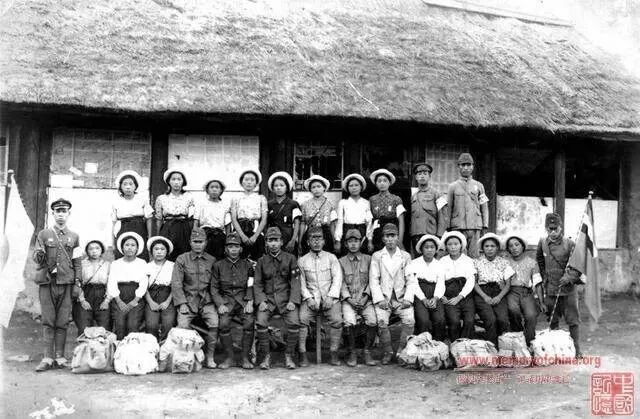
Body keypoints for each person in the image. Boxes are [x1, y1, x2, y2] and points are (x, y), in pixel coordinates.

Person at [33, 198, 82, 371]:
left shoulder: (74, 236)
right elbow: (37, 257)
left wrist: (77, 283)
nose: (61, 214)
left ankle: (60, 357)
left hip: (66, 282)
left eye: (64, 211)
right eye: (58, 211)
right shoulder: (44, 234)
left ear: (69, 214)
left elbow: (77, 262)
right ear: (53, 214)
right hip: (48, 282)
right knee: (48, 320)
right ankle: (47, 357)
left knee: (62, 321)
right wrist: (39, 254)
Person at [254, 227, 301, 369]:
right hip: (268, 301)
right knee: (261, 322)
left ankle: (289, 355)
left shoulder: (291, 259)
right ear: (266, 243)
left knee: (294, 323)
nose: (273, 243)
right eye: (270, 240)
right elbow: (257, 283)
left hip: (286, 301)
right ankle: (266, 356)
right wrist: (261, 301)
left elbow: (295, 281)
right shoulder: (261, 261)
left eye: (276, 240)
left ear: (281, 242)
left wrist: (293, 301)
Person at [536, 213, 582, 357]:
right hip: (551, 289)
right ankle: (556, 350)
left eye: (555, 228)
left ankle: (577, 350)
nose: (553, 232)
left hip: (568, 290)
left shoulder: (570, 243)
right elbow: (540, 261)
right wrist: (545, 277)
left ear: (561, 228)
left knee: (573, 320)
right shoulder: (543, 243)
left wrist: (569, 277)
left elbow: (578, 264)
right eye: (550, 229)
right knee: (552, 319)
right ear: (546, 228)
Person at [172, 227, 219, 369]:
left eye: (201, 242)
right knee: (182, 326)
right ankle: (187, 358)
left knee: (214, 323)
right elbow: (176, 283)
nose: (198, 245)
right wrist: (182, 303)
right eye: (195, 241)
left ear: (206, 243)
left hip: (207, 301)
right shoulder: (182, 259)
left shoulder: (212, 260)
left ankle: (210, 357)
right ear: (190, 242)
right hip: (188, 301)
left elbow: (215, 284)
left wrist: (216, 302)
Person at [369, 223, 415, 364]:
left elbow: (411, 280)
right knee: (382, 321)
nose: (390, 239)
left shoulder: (405, 256)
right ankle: (388, 351)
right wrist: (380, 299)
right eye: (387, 236)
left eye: (393, 236)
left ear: (397, 237)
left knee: (409, 320)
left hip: (401, 298)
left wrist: (408, 299)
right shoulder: (377, 256)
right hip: (384, 298)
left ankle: (401, 350)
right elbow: (374, 279)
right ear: (383, 238)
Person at [298, 227, 343, 366]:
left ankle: (334, 352)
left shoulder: (331, 258)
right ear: (308, 242)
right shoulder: (302, 260)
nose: (316, 241)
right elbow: (301, 283)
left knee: (337, 320)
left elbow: (337, 279)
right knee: (302, 319)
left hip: (329, 298)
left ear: (324, 241)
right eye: (313, 238)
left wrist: (331, 297)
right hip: (311, 299)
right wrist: (308, 298)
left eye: (319, 238)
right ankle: (302, 354)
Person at [211, 233, 255, 369]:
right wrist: (220, 304)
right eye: (230, 247)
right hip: (227, 301)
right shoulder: (218, 265)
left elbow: (251, 285)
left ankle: (245, 358)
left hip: (243, 301)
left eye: (236, 247)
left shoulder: (247, 265)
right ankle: (229, 358)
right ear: (226, 249)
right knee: (223, 323)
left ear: (241, 249)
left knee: (249, 321)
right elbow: (214, 287)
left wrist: (249, 301)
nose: (234, 250)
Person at [339, 229, 377, 367]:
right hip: (349, 301)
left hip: (365, 300)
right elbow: (340, 283)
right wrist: (349, 300)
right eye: (350, 241)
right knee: (349, 321)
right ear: (346, 244)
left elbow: (373, 281)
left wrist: (365, 298)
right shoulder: (341, 261)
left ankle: (367, 351)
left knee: (373, 320)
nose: (353, 244)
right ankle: (352, 352)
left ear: (361, 243)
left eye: (356, 241)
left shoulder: (369, 259)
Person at [473, 233, 514, 346]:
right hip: (482, 292)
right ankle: (492, 346)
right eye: (487, 246)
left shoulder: (504, 262)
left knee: (502, 319)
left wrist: (499, 297)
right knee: (490, 319)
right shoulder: (476, 262)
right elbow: (474, 283)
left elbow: (508, 284)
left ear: (497, 248)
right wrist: (485, 297)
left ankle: (504, 346)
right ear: (483, 248)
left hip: (499, 291)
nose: (490, 249)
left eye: (492, 246)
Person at [504, 233, 544, 347]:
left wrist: (541, 302)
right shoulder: (505, 262)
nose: (514, 248)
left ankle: (529, 342)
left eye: (517, 245)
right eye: (511, 246)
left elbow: (537, 282)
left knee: (531, 315)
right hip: (510, 291)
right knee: (513, 309)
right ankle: (519, 336)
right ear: (508, 249)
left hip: (526, 292)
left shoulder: (532, 263)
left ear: (522, 246)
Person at [107, 232, 148, 340]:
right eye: (127, 245)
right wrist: (119, 301)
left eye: (133, 245)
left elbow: (144, 283)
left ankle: (132, 348)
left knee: (132, 325)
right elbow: (112, 282)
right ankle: (119, 348)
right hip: (119, 295)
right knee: (120, 325)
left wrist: (135, 300)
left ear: (137, 248)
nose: (130, 248)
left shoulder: (142, 263)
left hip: (136, 295)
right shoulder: (116, 263)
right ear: (122, 247)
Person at [446, 153, 489, 258]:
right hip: (458, 226)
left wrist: (485, 225)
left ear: (472, 167)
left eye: (468, 165)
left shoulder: (479, 186)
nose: (466, 168)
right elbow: (449, 208)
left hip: (475, 225)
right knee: (459, 256)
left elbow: (484, 206)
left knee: (474, 256)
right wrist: (448, 226)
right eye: (463, 165)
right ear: (458, 167)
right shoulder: (452, 186)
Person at [406, 234, 446, 341]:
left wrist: (435, 298)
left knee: (440, 319)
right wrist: (423, 299)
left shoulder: (439, 265)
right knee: (423, 320)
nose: (429, 250)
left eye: (432, 247)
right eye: (426, 247)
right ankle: (423, 343)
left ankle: (437, 343)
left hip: (435, 293)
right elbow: (413, 283)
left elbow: (441, 283)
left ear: (436, 249)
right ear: (421, 249)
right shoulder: (413, 263)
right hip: (419, 293)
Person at [439, 231, 476, 342]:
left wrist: (460, 296)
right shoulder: (443, 261)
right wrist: (441, 295)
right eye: (450, 244)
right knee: (454, 321)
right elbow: (440, 280)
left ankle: (465, 343)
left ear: (461, 245)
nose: (453, 247)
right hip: (449, 294)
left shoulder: (468, 261)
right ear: (446, 246)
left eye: (456, 244)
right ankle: (455, 343)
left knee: (469, 321)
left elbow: (471, 280)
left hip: (465, 295)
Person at [112, 170, 153, 260]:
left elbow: (149, 219)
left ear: (135, 186)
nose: (128, 187)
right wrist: (113, 243)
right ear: (120, 186)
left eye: (131, 184)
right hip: (122, 229)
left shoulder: (142, 199)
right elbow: (114, 223)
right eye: (125, 184)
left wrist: (149, 237)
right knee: (122, 253)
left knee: (140, 253)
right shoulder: (116, 201)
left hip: (139, 228)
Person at [155, 169, 195, 261]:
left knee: (184, 255)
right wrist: (158, 235)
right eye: (173, 179)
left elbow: (192, 217)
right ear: (168, 181)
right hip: (168, 228)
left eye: (179, 179)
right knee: (168, 253)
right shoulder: (162, 198)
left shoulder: (189, 197)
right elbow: (159, 219)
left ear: (183, 182)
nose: (176, 182)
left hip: (184, 227)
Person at [73, 240, 111, 335]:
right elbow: (78, 282)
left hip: (102, 295)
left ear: (102, 250)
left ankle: (103, 345)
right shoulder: (82, 264)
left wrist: (106, 301)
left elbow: (111, 283)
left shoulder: (107, 265)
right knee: (84, 327)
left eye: (97, 248)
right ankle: (84, 344)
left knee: (105, 327)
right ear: (87, 251)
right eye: (91, 249)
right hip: (86, 293)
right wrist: (82, 300)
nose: (94, 251)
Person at [409, 163, 447, 257]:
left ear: (429, 176)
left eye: (425, 174)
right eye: (419, 174)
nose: (422, 176)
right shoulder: (413, 195)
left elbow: (443, 216)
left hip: (431, 234)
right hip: (415, 234)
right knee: (417, 260)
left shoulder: (437, 194)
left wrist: (439, 235)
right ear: (416, 177)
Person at [231, 169, 268, 260]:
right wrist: (242, 236)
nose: (249, 182)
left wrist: (255, 236)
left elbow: (264, 219)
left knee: (256, 257)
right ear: (242, 182)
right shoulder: (236, 198)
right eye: (246, 180)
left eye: (252, 180)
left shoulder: (261, 198)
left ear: (256, 183)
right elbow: (234, 219)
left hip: (256, 231)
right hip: (240, 231)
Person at [144, 236, 176, 342]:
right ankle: (153, 346)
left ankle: (164, 347)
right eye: (156, 249)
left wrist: (167, 302)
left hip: (168, 297)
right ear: (151, 251)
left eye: (162, 249)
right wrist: (151, 302)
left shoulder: (173, 266)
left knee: (168, 323)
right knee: (151, 325)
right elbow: (144, 287)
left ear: (167, 252)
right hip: (151, 296)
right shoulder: (147, 266)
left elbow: (175, 286)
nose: (159, 252)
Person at [335, 173, 373, 255]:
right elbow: (339, 222)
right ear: (347, 188)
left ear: (361, 187)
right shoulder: (343, 202)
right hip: (347, 231)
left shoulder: (366, 203)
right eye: (351, 186)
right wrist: (338, 240)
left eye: (356, 185)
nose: (354, 188)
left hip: (362, 232)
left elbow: (369, 223)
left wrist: (369, 240)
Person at [369, 169, 406, 252]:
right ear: (376, 183)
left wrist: (400, 240)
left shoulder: (396, 199)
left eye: (385, 181)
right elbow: (370, 221)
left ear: (389, 183)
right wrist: (370, 240)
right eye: (379, 181)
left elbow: (401, 221)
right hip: (377, 233)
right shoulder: (372, 200)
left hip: (392, 232)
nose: (382, 183)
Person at [299, 175, 337, 255]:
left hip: (326, 234)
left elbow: (332, 224)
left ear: (324, 188)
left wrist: (334, 240)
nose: (316, 189)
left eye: (319, 186)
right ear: (310, 190)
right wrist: (300, 240)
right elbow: (303, 223)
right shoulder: (305, 204)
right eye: (313, 187)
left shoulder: (330, 204)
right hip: (310, 233)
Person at [195, 178, 231, 260]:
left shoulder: (225, 205)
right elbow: (196, 223)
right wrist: (196, 238)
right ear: (207, 190)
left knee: (218, 259)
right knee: (204, 258)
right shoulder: (201, 204)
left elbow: (228, 225)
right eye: (212, 187)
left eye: (217, 187)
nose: (214, 189)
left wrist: (228, 241)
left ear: (221, 190)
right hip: (204, 235)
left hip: (219, 236)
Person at [266, 172, 301, 254]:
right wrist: (266, 239)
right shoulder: (269, 204)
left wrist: (293, 240)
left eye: (282, 185)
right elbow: (265, 223)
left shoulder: (293, 204)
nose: (279, 188)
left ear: (287, 187)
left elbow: (297, 223)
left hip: (288, 236)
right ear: (273, 188)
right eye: (276, 185)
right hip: (273, 236)